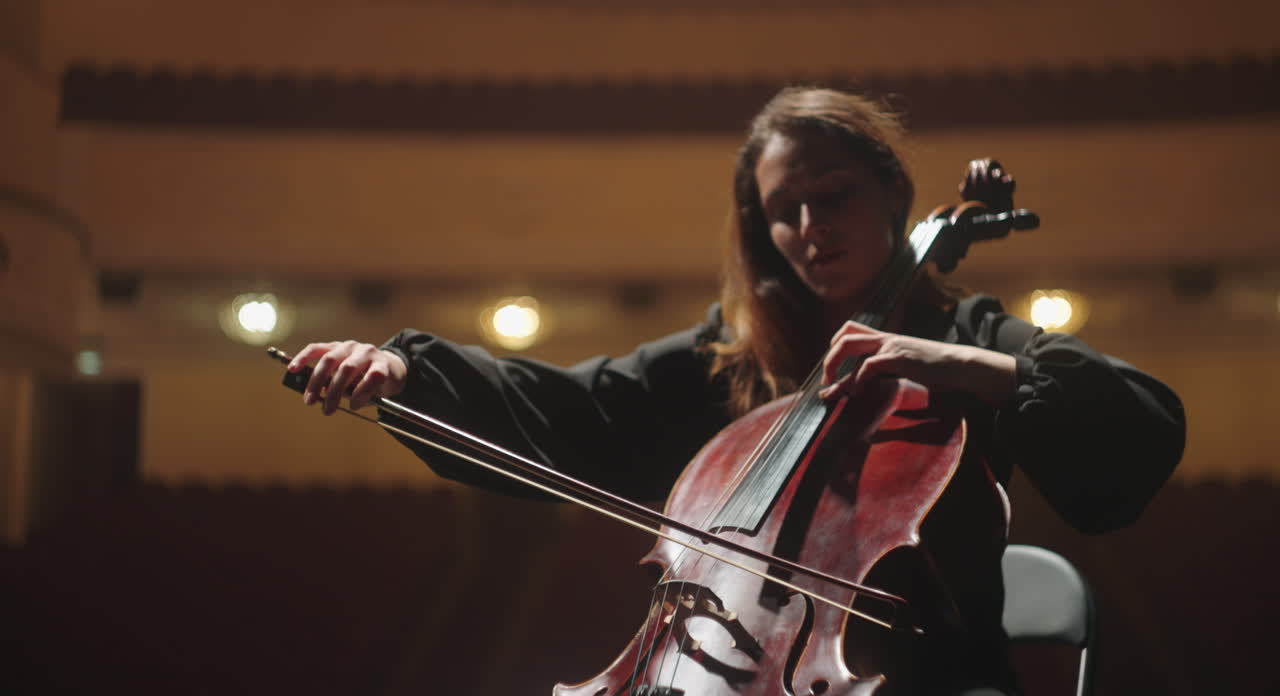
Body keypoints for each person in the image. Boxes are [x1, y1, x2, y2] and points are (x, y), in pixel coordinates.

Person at [287, 87, 1184, 695]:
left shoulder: (966, 334)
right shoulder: (727, 360)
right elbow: (568, 407)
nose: (810, 228)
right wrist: (407, 371)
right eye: (783, 210)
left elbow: (1137, 420)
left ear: (894, 196)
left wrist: (954, 365)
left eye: (834, 196)